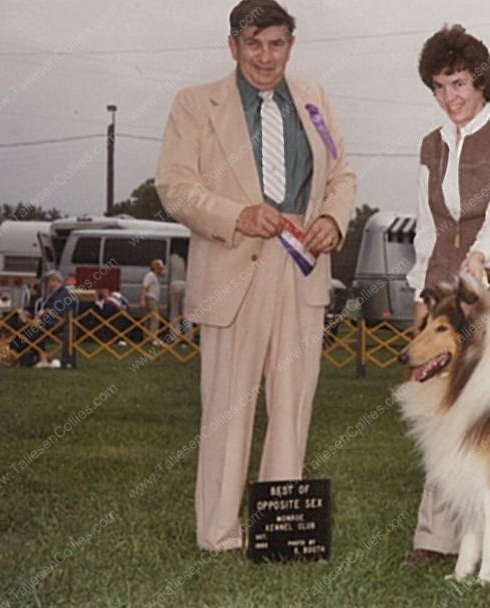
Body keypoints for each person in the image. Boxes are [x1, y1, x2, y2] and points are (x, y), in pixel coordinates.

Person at [155, 0, 356, 553]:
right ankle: (219, 533)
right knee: (227, 406)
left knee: (294, 401)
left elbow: (341, 172)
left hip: (302, 265)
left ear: (290, 45)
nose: (266, 56)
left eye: (277, 44)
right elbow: (173, 186)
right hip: (233, 259)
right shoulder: (195, 104)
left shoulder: (313, 99)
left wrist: (333, 221)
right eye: (254, 44)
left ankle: (280, 533)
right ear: (233, 46)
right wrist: (234, 215)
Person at [404, 25, 490, 565]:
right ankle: (435, 537)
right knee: (445, 418)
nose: (450, 97)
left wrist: (482, 255)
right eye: (440, 87)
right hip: (444, 299)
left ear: (481, 83)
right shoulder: (430, 147)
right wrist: (422, 288)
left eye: (459, 83)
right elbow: (426, 225)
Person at [140, 259, 165, 344]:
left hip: (153, 299)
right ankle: (153, 338)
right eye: (160, 268)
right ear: (155, 268)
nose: (161, 270)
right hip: (151, 299)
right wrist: (142, 300)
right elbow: (144, 287)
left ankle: (147, 338)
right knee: (155, 319)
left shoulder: (154, 276)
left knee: (148, 319)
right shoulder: (150, 276)